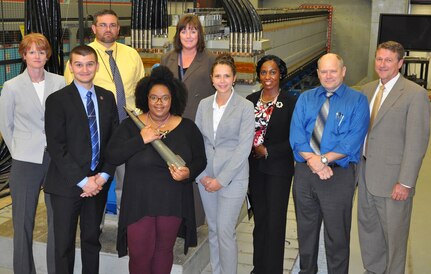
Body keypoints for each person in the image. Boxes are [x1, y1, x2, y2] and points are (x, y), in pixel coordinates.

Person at [106, 65, 206, 274]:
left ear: (173, 99)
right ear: (145, 99)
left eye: (165, 98)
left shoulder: (187, 127)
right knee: (140, 254)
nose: (159, 103)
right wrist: (140, 140)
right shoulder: (130, 126)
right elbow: (113, 155)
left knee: (163, 251)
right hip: (139, 201)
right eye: (154, 98)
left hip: (172, 200)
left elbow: (200, 160)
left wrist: (188, 173)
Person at [290, 53, 369, 273]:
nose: (328, 75)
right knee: (306, 233)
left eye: (333, 71)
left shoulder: (357, 100)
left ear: (343, 71)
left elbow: (352, 141)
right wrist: (313, 161)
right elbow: (296, 135)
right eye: (323, 71)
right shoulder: (306, 98)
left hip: (338, 176)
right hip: (305, 174)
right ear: (317, 73)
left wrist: (323, 160)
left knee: (337, 236)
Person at [44, 45, 119, 274]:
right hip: (67, 185)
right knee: (63, 245)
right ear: (71, 67)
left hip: (97, 185)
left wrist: (102, 177)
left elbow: (113, 144)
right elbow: (57, 147)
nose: (84, 69)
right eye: (78, 64)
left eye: (89, 64)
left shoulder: (107, 98)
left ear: (96, 66)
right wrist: (82, 181)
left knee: (91, 240)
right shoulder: (57, 100)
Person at [358, 41, 430, 274]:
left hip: (393, 182)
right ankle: (373, 270)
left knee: (395, 238)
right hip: (366, 174)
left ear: (400, 63)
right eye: (379, 59)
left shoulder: (415, 94)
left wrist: (406, 182)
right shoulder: (367, 90)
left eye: (389, 60)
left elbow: (417, 142)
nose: (382, 64)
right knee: (369, 232)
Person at [64, 8, 145, 214]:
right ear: (94, 28)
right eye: (102, 25)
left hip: (128, 129)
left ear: (118, 28)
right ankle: (94, 227)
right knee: (96, 183)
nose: (107, 29)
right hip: (96, 134)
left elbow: (141, 92)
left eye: (112, 25)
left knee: (128, 182)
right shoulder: (81, 57)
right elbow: (71, 99)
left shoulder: (132, 55)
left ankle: (126, 227)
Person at [0, 32, 65, 274]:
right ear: (23, 55)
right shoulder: (12, 86)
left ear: (47, 55)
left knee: (58, 220)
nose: (36, 56)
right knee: (23, 222)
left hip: (56, 159)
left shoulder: (59, 82)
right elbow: (5, 125)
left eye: (41, 51)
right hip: (25, 161)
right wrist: (19, 151)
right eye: (31, 51)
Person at [195, 53, 255, 274]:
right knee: (212, 229)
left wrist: (221, 180)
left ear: (234, 77)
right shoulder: (203, 105)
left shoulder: (245, 107)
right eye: (218, 76)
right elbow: (198, 141)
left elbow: (243, 148)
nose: (222, 80)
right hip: (205, 177)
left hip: (233, 178)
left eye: (226, 76)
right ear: (211, 78)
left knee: (225, 231)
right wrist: (201, 175)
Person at [161, 13, 216, 226]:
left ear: (200, 34)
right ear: (178, 33)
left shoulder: (210, 59)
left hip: (197, 125)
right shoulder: (168, 58)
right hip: (170, 124)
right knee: (171, 169)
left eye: (193, 31)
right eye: (184, 30)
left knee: (192, 170)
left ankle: (192, 221)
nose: (188, 35)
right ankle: (171, 217)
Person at [246, 55, 297, 274]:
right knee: (260, 221)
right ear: (259, 75)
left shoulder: (291, 102)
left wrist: (269, 151)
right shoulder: (250, 100)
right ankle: (259, 268)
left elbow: (296, 137)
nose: (268, 77)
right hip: (254, 170)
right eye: (264, 72)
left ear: (281, 74)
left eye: (273, 72)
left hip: (278, 170)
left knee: (275, 223)